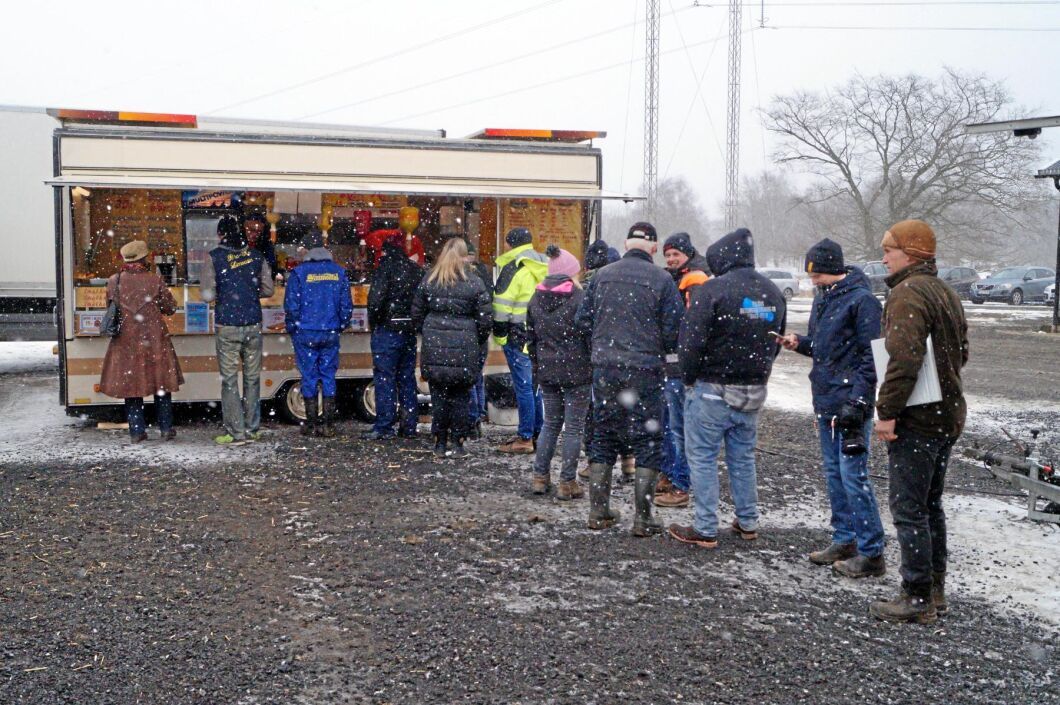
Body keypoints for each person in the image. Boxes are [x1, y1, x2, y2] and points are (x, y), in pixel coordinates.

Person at [869, 220, 968, 624]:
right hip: (946, 414)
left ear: (910, 255)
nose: (884, 256)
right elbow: (961, 353)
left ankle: (916, 596)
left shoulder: (907, 294)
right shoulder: (944, 291)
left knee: (909, 508)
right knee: (930, 505)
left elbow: (903, 360)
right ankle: (935, 589)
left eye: (889, 250)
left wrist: (887, 412)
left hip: (919, 418)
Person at [669, 228, 786, 549]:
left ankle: (706, 528)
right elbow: (776, 342)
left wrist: (690, 378)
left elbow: (690, 343)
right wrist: (757, 372)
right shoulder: (773, 293)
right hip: (752, 389)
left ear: (722, 259)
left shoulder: (712, 290)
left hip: (712, 388)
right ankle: (747, 522)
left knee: (703, 457)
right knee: (743, 457)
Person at [778, 239, 886, 577]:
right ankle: (845, 538)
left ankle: (872, 550)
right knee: (835, 474)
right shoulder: (825, 299)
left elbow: (874, 357)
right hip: (826, 399)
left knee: (853, 476)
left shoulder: (863, 302)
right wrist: (800, 344)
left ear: (831, 270)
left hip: (851, 403)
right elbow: (825, 349)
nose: (812, 282)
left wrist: (860, 400)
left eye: (817, 275)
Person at [575, 222, 684, 536]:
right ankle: (644, 516)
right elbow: (673, 331)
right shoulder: (663, 280)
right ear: (652, 247)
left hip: (606, 369)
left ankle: (598, 510)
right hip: (645, 370)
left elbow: (583, 321)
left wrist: (600, 351)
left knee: (604, 434)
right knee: (647, 437)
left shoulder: (602, 276)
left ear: (625, 245)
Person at [411, 238, 492, 459]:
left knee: (439, 398)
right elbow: (485, 320)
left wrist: (429, 333)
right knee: (460, 398)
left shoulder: (430, 279)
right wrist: (475, 338)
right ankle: (458, 443)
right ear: (465, 256)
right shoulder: (474, 282)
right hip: (464, 347)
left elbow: (416, 314)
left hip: (435, 346)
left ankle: (439, 442)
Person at [98, 240, 184, 442]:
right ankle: (166, 428)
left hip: (126, 341)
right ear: (145, 258)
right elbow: (169, 308)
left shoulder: (114, 281)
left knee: (131, 386)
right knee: (160, 383)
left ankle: (137, 431)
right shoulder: (155, 280)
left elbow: (110, 308)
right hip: (154, 339)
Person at [200, 216, 275, 445]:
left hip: (228, 326)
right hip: (252, 323)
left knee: (230, 380)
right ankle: (252, 428)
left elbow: (208, 296)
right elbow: (269, 289)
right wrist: (249, 293)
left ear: (220, 234)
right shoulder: (256, 256)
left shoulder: (214, 257)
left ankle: (236, 433)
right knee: (252, 378)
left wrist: (226, 294)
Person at [526, 245, 592, 500]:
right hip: (578, 371)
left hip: (547, 370)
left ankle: (540, 477)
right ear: (570, 273)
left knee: (551, 424)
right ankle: (567, 482)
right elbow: (589, 336)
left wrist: (538, 362)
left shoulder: (535, 298)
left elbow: (530, 337)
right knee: (574, 428)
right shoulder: (579, 298)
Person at [655, 232, 710, 508]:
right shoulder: (676, 278)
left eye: (675, 254)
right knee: (669, 426)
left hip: (680, 367)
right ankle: (669, 473)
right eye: (667, 255)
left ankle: (680, 484)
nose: (671, 259)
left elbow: (693, 325)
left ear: (687, 254)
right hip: (670, 365)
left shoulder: (694, 279)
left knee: (679, 428)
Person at [284, 229, 354, 438]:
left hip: (305, 333)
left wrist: (293, 327)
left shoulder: (299, 273)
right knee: (328, 375)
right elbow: (346, 305)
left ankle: (312, 423)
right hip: (330, 332)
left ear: (307, 250)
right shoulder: (338, 272)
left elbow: (291, 306)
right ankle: (329, 424)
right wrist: (340, 324)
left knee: (309, 376)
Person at [492, 228, 548, 454]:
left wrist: (500, 336)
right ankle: (538, 433)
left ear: (509, 244)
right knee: (535, 387)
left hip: (518, 335)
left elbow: (502, 306)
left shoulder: (513, 267)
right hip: (539, 336)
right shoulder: (543, 264)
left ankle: (525, 437)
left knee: (523, 387)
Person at [367, 232, 424, 440]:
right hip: (408, 331)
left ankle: (384, 425)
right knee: (406, 378)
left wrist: (375, 322)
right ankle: (409, 425)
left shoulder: (384, 269)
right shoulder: (416, 271)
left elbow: (375, 301)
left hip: (387, 330)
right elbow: (421, 303)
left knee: (385, 377)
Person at [578, 240, 626, 481]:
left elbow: (582, 321)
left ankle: (594, 463)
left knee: (595, 413)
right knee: (626, 408)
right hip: (626, 358)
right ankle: (629, 462)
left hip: (596, 359)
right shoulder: (627, 286)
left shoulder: (589, 285)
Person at [465, 240, 494, 437]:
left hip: (468, 336)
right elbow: (486, 313)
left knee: (470, 380)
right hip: (479, 336)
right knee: (478, 378)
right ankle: (479, 415)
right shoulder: (483, 275)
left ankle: (473, 417)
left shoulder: (466, 278)